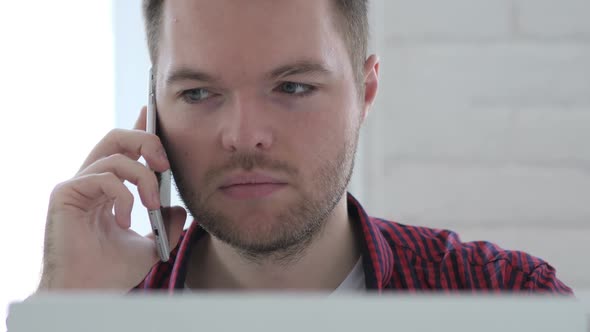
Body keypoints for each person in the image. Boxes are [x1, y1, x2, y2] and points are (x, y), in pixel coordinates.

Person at [38, 0, 572, 294]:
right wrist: (63, 314)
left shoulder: (504, 297)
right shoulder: (97, 313)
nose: (244, 136)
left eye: (293, 87)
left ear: (365, 93)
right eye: (198, 93)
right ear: (152, 110)